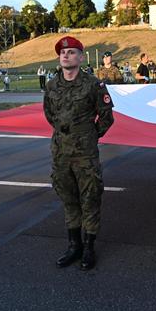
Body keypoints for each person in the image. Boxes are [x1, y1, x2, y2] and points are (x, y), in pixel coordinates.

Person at [44, 36, 114, 271]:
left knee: (90, 197)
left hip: (85, 153)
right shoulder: (52, 85)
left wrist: (90, 135)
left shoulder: (94, 85)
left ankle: (89, 246)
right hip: (61, 152)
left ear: (81, 57)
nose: (66, 55)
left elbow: (106, 117)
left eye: (72, 52)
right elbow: (49, 114)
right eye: (63, 53)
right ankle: (73, 245)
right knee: (68, 198)